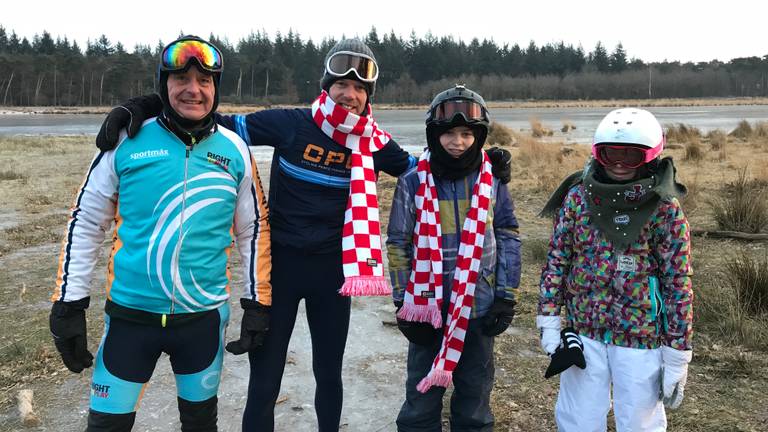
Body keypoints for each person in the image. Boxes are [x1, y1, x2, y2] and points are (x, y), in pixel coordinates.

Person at [94, 38, 512, 432]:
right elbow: (207, 118)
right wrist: (146, 105)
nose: (348, 95)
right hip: (282, 268)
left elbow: (430, 167)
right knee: (267, 373)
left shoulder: (376, 144)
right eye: (341, 85)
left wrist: (482, 160)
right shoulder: (291, 125)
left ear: (369, 97)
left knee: (328, 372)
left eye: (358, 88)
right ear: (325, 87)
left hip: (334, 273)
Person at [49, 35, 271, 431]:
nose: (193, 89)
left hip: (202, 319)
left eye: (205, 81)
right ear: (163, 85)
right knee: (106, 426)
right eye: (180, 78)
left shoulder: (236, 150)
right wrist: (69, 302)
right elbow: (86, 221)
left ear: (216, 89)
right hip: (131, 318)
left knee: (200, 424)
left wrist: (258, 303)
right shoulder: (126, 140)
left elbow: (254, 230)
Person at [536, 108, 693, 431]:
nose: (619, 163)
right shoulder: (579, 197)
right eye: (611, 154)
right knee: (578, 418)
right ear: (598, 153)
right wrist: (550, 321)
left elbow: (677, 281)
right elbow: (557, 260)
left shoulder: (664, 208)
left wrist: (677, 351)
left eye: (630, 156)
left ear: (650, 157)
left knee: (640, 421)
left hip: (641, 336)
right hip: (584, 331)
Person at [386, 85, 521, 431]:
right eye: (448, 133)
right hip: (427, 309)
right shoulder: (413, 181)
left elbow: (507, 234)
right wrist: (403, 302)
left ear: (479, 136)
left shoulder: (492, 180)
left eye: (466, 134)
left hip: (479, 306)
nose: (457, 142)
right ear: (434, 134)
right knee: (421, 399)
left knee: (475, 398)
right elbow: (399, 242)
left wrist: (506, 295)